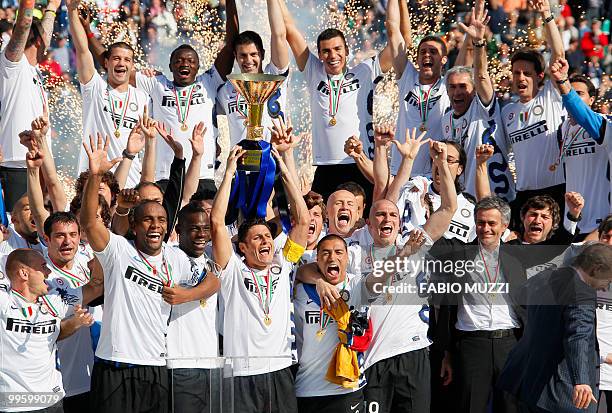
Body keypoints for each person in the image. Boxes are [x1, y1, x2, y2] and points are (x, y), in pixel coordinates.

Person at [79, 134, 213, 412]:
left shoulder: (176, 257)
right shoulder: (119, 251)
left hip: (155, 366)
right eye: (148, 219)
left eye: (161, 220)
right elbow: (89, 222)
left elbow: (215, 278)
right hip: (115, 364)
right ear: (135, 226)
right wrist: (95, 175)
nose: (155, 225)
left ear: (167, 227)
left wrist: (189, 294)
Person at [210, 144, 309, 413]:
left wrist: (285, 172)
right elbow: (217, 223)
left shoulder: (282, 263)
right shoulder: (231, 269)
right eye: (257, 238)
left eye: (267, 236)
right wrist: (230, 172)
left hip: (279, 369)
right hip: (241, 372)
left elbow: (302, 221)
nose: (265, 241)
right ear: (242, 247)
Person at [277, 0, 396, 208]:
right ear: (319, 54)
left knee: (365, 224)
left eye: (337, 49)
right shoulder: (314, 71)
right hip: (326, 167)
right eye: (326, 51)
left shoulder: (365, 71)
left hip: (359, 163)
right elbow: (289, 29)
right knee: (318, 226)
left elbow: (397, 43)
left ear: (347, 50)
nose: (332, 55)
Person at [431, 196, 528, 413]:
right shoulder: (458, 255)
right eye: (481, 222)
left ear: (504, 226)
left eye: (492, 223)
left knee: (512, 408)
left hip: (510, 344)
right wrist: (446, 353)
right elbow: (446, 307)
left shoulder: (519, 253)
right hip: (471, 345)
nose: (485, 228)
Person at [133, 0, 236, 192]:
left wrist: (230, 4)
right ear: (171, 66)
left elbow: (230, 47)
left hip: (203, 177)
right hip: (165, 176)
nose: (184, 64)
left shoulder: (209, 82)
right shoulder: (157, 83)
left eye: (190, 61)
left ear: (198, 66)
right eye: (178, 61)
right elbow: (115, 69)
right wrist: (87, 31)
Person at [497, 243, 612, 413]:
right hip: (560, 393)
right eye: (608, 279)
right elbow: (578, 336)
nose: (605, 286)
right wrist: (580, 381)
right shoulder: (582, 291)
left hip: (526, 380)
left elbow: (520, 296)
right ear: (596, 268)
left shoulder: (544, 277)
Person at [0, 248, 93, 413]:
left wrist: (76, 322)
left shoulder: (52, 302)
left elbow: (55, 334)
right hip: (15, 404)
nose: (49, 272)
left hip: (52, 400)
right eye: (43, 266)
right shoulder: (4, 303)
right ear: (24, 273)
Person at [500, 0, 567, 228]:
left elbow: (558, 55)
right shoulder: (507, 111)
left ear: (539, 76)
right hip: (523, 194)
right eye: (516, 73)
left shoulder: (550, 96)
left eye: (526, 73)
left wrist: (547, 14)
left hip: (556, 190)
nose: (520, 78)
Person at [69, 0, 148, 188]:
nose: (121, 63)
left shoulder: (142, 97)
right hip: (94, 179)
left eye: (127, 60)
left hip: (130, 183)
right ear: (106, 63)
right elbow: (82, 50)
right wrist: (71, 10)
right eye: (116, 58)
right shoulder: (94, 86)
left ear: (132, 65)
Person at [386, 0, 469, 176]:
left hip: (435, 175)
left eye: (433, 52)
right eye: (422, 52)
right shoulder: (407, 76)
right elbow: (393, 31)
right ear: (416, 59)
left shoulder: (449, 84)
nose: (427, 55)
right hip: (401, 171)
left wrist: (472, 35)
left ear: (444, 60)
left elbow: (467, 52)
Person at [441, 7, 515, 201]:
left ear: (474, 91)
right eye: (452, 87)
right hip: (465, 203)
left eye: (463, 87)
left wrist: (478, 43)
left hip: (497, 200)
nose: (457, 92)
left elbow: (481, 75)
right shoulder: (446, 120)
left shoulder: (482, 107)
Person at [293, 234, 369, 413]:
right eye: (325, 253)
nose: (332, 257)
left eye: (338, 252)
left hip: (347, 388)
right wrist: (319, 281)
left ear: (347, 257)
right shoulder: (300, 290)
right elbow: (300, 271)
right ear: (317, 259)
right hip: (307, 388)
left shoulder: (357, 285)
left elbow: (379, 281)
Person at [0, 0, 59, 211]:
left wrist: (53, 5)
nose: (48, 40)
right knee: (15, 233)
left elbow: (43, 30)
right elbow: (24, 23)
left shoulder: (34, 70)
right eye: (44, 37)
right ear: (37, 41)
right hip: (16, 164)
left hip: (37, 164)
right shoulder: (12, 65)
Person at [165, 203, 221, 413]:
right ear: (179, 230)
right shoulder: (170, 258)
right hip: (181, 364)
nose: (201, 234)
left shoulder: (210, 262)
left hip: (211, 363)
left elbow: (215, 281)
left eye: (205, 228)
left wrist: (188, 295)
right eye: (194, 228)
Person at [549, 57, 612, 233]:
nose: (573, 98)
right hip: (573, 220)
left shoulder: (604, 124)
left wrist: (563, 82)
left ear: (592, 100)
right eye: (571, 93)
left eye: (580, 94)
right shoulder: (563, 129)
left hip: (600, 222)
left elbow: (581, 112)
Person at [216, 0, 289, 147]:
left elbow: (279, 35)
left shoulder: (275, 75)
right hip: (240, 166)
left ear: (262, 54)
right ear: (235, 57)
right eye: (242, 55)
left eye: (253, 54)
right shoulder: (226, 90)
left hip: (274, 163)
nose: (248, 60)